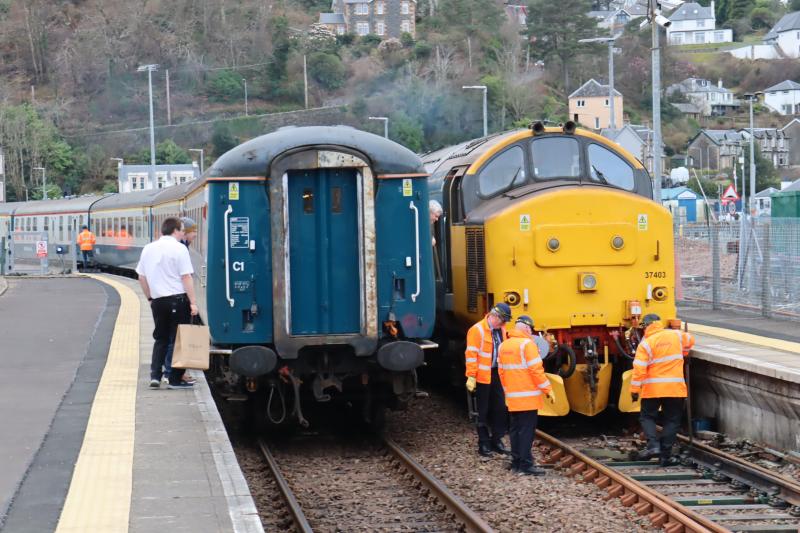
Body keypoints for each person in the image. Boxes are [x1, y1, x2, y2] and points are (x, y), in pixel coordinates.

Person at [136, 217, 199, 390]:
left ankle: (155, 376)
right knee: (179, 339)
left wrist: (150, 298)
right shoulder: (179, 249)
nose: (182, 233)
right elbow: (186, 277)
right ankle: (174, 379)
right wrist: (193, 302)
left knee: (160, 339)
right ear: (176, 230)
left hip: (157, 301)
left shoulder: (148, 248)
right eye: (181, 230)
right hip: (177, 300)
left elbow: (141, 277)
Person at [630, 313, 695, 466]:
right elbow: (690, 341)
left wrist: (634, 390)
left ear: (646, 326)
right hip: (675, 388)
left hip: (652, 388)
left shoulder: (646, 344)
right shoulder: (677, 335)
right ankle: (665, 456)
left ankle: (653, 446)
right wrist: (683, 352)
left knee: (647, 417)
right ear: (659, 323)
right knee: (672, 420)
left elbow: (639, 369)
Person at [497, 315, 555, 475]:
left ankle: (516, 463)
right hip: (528, 398)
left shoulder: (503, 346)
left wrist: (508, 391)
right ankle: (526, 464)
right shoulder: (527, 345)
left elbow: (501, 372)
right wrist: (547, 389)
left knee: (515, 430)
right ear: (528, 329)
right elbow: (536, 371)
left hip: (512, 397)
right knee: (527, 431)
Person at [465, 302, 512, 457]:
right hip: (482, 376)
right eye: (503, 320)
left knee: (500, 408)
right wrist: (471, 376)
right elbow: (471, 355)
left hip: (498, 374)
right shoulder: (477, 330)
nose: (504, 323)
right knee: (482, 411)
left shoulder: (502, 329)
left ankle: (497, 439)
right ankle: (484, 443)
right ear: (495, 316)